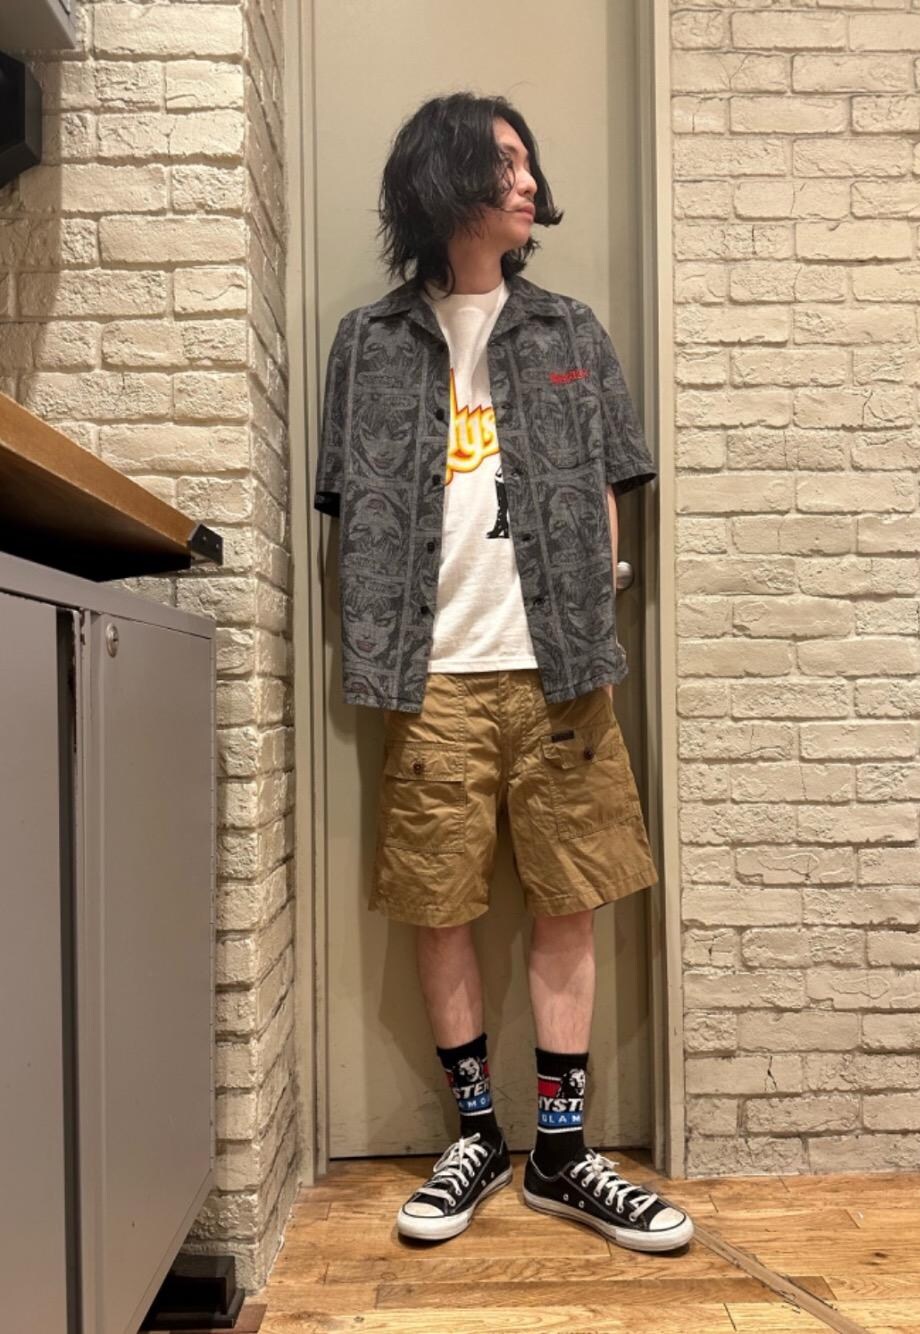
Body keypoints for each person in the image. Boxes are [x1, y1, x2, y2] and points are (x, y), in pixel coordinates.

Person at [314, 90, 694, 1255]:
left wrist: (596, 597)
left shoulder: (570, 330)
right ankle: (476, 1135)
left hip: (560, 669)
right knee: (440, 901)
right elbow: (342, 507)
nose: (528, 182)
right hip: (428, 674)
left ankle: (564, 1153)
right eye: (506, 162)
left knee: (570, 893)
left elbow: (618, 477)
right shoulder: (369, 343)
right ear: (446, 178)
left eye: (530, 163)